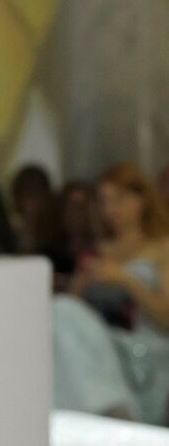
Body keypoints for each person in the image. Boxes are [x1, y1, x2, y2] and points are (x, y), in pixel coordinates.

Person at [51, 162, 169, 424]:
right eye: (104, 201)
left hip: (145, 353)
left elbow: (165, 318)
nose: (111, 209)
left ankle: (116, 412)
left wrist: (126, 280)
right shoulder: (98, 250)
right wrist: (81, 283)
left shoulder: (162, 248)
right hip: (105, 350)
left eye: (119, 199)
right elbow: (69, 316)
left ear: (142, 200)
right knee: (59, 312)